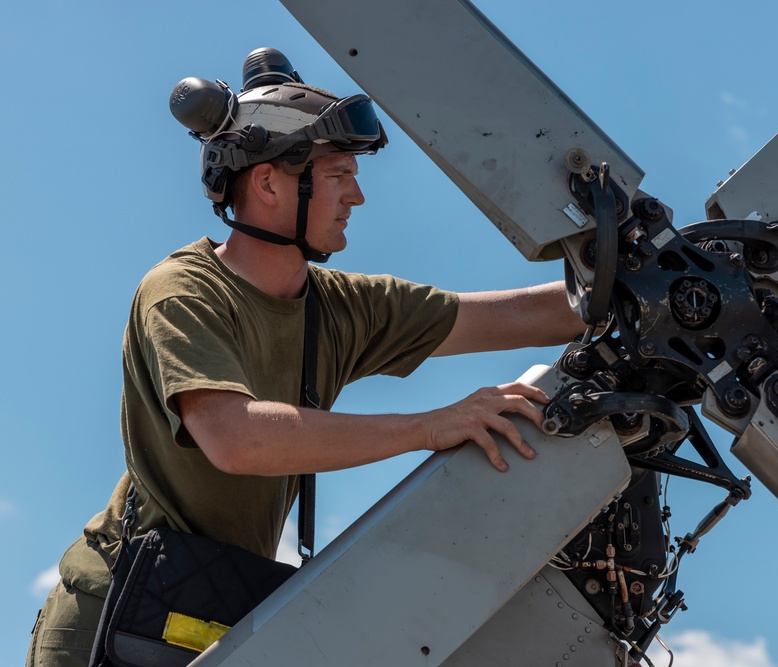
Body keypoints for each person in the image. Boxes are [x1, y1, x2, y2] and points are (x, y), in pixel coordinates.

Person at [26, 48, 587, 667]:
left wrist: (650, 281)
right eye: (341, 175)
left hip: (210, 611)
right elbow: (236, 439)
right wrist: (430, 427)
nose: (358, 196)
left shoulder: (341, 307)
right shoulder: (181, 291)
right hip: (113, 614)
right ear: (269, 182)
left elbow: (514, 315)